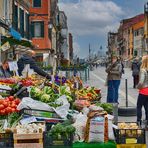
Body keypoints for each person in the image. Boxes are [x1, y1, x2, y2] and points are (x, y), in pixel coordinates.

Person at [136, 55, 148, 126]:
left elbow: (141, 82)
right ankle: (147, 121)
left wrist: (138, 87)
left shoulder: (143, 70)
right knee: (147, 107)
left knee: (139, 106)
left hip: (143, 91)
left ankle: (138, 121)